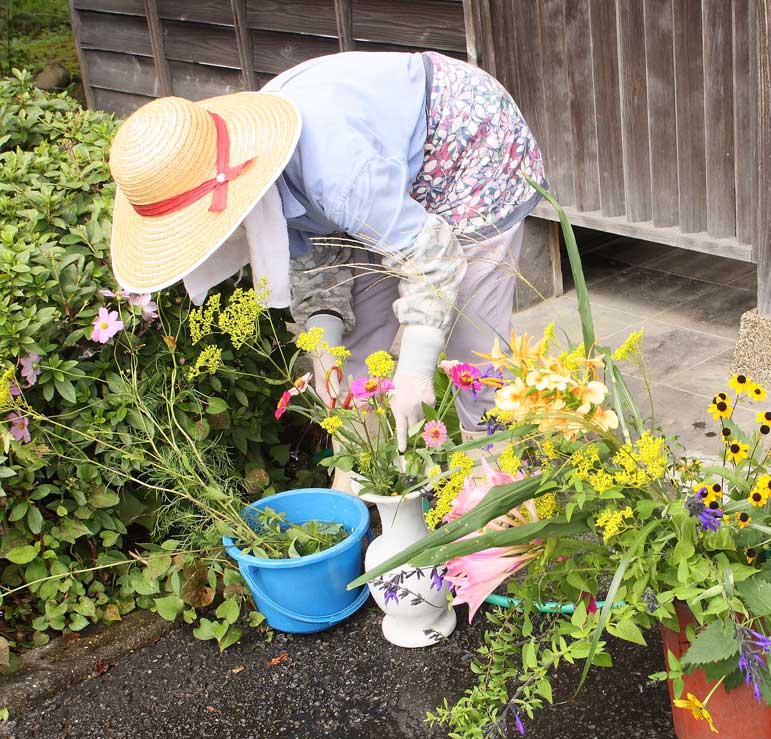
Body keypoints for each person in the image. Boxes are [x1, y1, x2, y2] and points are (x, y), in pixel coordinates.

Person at [107, 50, 545, 452]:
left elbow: (433, 260)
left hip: (468, 143)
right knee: (351, 353)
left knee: (471, 352)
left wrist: (415, 368)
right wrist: (323, 347)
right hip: (378, 175)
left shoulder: (339, 175)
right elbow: (313, 254)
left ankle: (496, 486)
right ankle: (369, 475)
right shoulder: (259, 168)